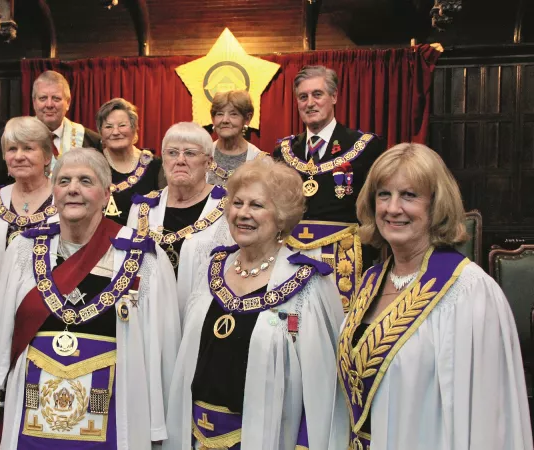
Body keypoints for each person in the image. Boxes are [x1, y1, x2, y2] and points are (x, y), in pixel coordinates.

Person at [338, 143, 533, 450]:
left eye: (409, 195)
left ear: (436, 205)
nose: (392, 208)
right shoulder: (371, 281)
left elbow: (487, 420)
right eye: (384, 194)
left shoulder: (469, 292)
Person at [0, 148, 180, 450]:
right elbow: (2, 336)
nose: (73, 189)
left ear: (105, 195)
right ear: (53, 192)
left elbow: (164, 352)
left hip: (113, 417)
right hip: (32, 418)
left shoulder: (143, 258)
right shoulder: (22, 251)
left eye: (85, 181)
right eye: (64, 181)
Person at [165, 158, 346, 450]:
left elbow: (321, 389)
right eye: (237, 203)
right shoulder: (212, 267)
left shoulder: (307, 284)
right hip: (195, 436)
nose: (243, 214)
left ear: (282, 217)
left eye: (257, 205)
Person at [273, 65, 386, 313]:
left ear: (334, 97)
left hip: (346, 260)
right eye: (303, 97)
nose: (310, 103)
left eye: (317, 94)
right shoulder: (283, 152)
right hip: (291, 256)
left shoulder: (365, 146)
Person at [127, 122, 233, 318]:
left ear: (208, 163)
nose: (180, 160)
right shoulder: (142, 208)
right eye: (172, 153)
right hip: (150, 321)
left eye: (191, 153)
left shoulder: (229, 210)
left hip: (204, 321)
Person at [0, 116, 57, 282]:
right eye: (12, 149)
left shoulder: (65, 200)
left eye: (28, 148)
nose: (19, 156)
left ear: (47, 157)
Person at [96, 98, 165, 224]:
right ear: (100, 132)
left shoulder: (155, 165)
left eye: (122, 125)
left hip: (145, 239)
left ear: (134, 128)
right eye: (108, 126)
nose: (116, 132)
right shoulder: (93, 164)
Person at [32, 71, 101, 160]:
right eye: (43, 98)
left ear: (68, 102)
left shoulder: (91, 141)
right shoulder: (17, 138)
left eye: (56, 98)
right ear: (34, 103)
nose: (49, 105)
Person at [207, 90, 267, 186]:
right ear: (213, 119)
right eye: (220, 114)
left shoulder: (261, 162)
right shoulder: (202, 155)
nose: (225, 120)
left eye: (233, 114)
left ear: (247, 119)